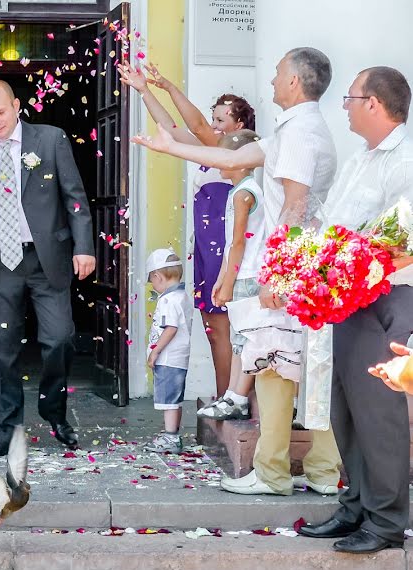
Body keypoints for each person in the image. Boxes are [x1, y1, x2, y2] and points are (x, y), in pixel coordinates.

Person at [133, 47, 342, 496]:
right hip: (296, 266)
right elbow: (231, 158)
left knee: (277, 368)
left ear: (294, 81)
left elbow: (295, 204)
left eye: (277, 72)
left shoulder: (302, 132)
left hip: (290, 268)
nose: (270, 80)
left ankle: (276, 473)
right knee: (294, 368)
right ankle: (315, 472)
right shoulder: (293, 128)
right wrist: (170, 146)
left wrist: (276, 272)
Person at [298, 67, 413, 554]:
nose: (343, 105)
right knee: (346, 412)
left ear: (374, 103)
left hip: (386, 296)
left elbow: (402, 240)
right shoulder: (360, 159)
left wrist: (342, 269)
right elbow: (335, 224)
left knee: (377, 413)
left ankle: (386, 523)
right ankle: (356, 506)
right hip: (345, 298)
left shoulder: (406, 158)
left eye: (350, 97)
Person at [0, 79, 95, 457]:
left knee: (59, 339)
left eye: (1, 112)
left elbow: (74, 197)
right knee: (2, 350)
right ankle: (5, 429)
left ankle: (53, 411)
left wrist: (84, 246)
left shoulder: (50, 140)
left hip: (45, 258)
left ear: (17, 105)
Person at [118, 61, 256, 401]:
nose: (212, 126)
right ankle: (225, 395)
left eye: (220, 120)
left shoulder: (235, 152)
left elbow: (193, 123)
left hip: (226, 248)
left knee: (226, 327)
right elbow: (170, 127)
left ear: (239, 125)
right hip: (208, 249)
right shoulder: (209, 152)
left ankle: (231, 399)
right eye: (214, 119)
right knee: (213, 328)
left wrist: (168, 85)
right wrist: (144, 90)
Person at [201, 129, 265, 421]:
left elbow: (240, 241)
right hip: (240, 272)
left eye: (225, 157)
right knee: (238, 336)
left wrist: (228, 282)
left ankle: (238, 396)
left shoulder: (244, 194)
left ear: (240, 161)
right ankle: (232, 394)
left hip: (249, 275)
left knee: (244, 338)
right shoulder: (237, 191)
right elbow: (230, 243)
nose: (218, 162)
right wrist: (221, 278)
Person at [144, 249, 193, 453]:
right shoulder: (182, 296)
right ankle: (171, 435)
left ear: (158, 276)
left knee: (168, 400)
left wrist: (155, 351)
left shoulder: (167, 300)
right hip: (178, 357)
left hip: (168, 358)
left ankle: (170, 437)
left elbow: (171, 328)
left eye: (152, 281)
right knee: (174, 398)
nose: (153, 285)